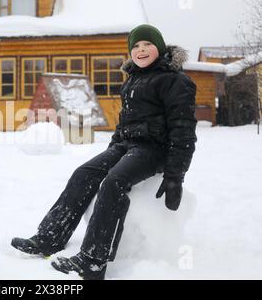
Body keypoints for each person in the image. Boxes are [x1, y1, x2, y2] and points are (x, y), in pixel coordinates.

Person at [11, 24, 197, 280]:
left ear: (160, 48)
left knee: (114, 182)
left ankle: (93, 261)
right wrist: (112, 153)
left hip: (156, 149)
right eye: (136, 47)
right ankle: (49, 239)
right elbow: (124, 124)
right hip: (127, 145)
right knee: (84, 173)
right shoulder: (132, 79)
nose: (141, 50)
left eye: (147, 45)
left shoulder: (175, 81)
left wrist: (176, 175)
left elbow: (183, 129)